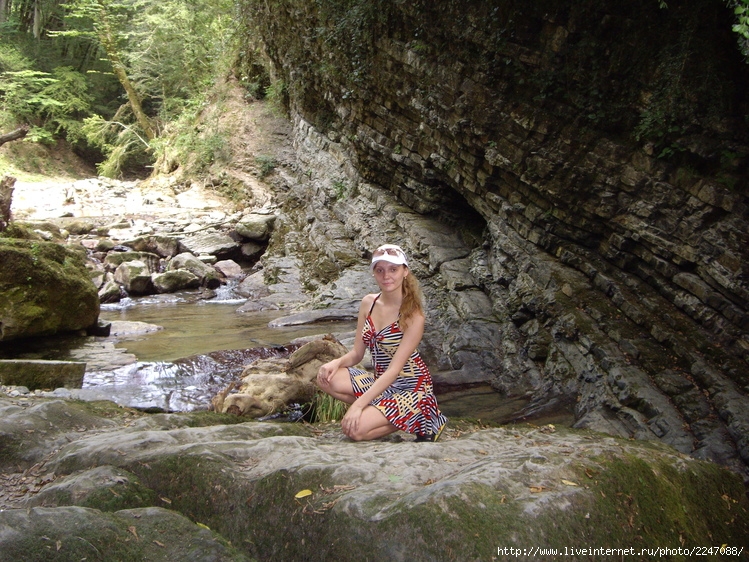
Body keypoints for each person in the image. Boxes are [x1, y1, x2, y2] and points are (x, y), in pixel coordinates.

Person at [316, 243, 447, 442]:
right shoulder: (369, 303)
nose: (386, 276)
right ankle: (384, 411)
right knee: (326, 377)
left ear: (405, 271)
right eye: (380, 270)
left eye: (393, 269)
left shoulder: (414, 315)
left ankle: (423, 414)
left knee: (355, 431)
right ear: (374, 274)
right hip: (381, 383)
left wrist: (358, 406)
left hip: (410, 388)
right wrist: (335, 363)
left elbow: (394, 370)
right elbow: (357, 354)